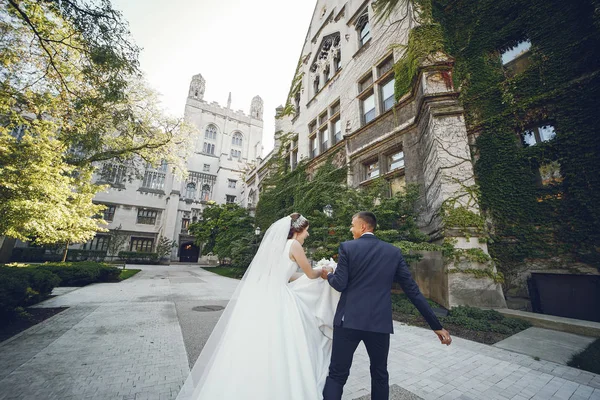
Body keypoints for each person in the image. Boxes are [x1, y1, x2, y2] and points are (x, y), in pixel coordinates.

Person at [176, 213, 339, 400]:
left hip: (266, 296)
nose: (308, 235)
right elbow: (310, 274)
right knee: (285, 340)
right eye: (307, 231)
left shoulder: (276, 248)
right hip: (281, 298)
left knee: (261, 340)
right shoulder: (294, 245)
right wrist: (325, 269)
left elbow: (285, 274)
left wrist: (311, 274)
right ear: (298, 230)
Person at [322, 211, 452, 400]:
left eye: (352, 225)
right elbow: (413, 291)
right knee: (380, 374)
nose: (351, 229)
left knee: (337, 375)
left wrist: (328, 275)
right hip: (379, 324)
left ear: (363, 227)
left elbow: (340, 284)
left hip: (348, 321)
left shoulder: (347, 248)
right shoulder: (393, 252)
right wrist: (436, 326)